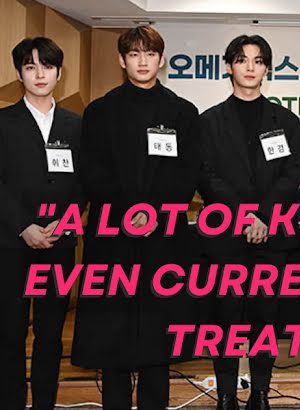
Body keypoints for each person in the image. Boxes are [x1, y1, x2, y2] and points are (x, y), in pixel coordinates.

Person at [71, 25, 201, 409]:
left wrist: (154, 213)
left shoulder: (183, 112)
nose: (142, 61)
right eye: (134, 54)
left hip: (164, 237)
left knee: (158, 335)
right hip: (113, 237)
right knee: (112, 332)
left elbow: (188, 172)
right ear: (121, 60)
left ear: (161, 60)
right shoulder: (100, 111)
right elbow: (92, 171)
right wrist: (130, 213)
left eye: (149, 54)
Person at [199, 33, 300, 410]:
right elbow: (206, 175)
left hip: (272, 236)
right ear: (229, 66)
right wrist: (245, 215)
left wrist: (264, 216)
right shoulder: (209, 121)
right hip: (226, 234)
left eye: (258, 61)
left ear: (267, 69)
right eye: (242, 60)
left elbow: (292, 173)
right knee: (225, 318)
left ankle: (260, 392)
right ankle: (226, 394)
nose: (250, 67)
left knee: (266, 317)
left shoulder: (286, 120)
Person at [0, 36, 82, 410]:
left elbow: (85, 183)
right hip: (11, 244)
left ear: (59, 73)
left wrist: (64, 223)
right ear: (19, 74)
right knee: (10, 333)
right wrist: (24, 226)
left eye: (47, 67)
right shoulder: (3, 122)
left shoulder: (76, 125)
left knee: (50, 335)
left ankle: (45, 403)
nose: (39, 74)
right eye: (30, 67)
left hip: (59, 244)